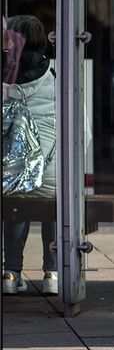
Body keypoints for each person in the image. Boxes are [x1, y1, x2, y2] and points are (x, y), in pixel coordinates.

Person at [2, 15, 58, 296]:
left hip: (11, 179)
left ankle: (11, 273)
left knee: (16, 195)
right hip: (50, 177)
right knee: (57, 199)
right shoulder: (56, 76)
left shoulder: (4, 77)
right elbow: (81, 131)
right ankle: (53, 272)